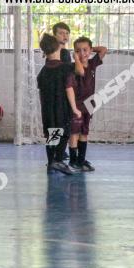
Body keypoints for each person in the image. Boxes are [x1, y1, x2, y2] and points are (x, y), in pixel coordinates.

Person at [37, 33, 80, 175]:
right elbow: (69, 89)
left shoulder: (42, 72)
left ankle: (51, 162)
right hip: (62, 108)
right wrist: (75, 108)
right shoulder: (65, 68)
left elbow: (41, 92)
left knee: (52, 134)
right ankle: (59, 161)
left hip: (47, 110)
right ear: (58, 50)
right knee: (64, 133)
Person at [68, 37, 107, 171]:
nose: (82, 53)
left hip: (89, 105)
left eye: (85, 50)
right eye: (78, 50)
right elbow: (81, 71)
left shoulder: (93, 63)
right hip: (77, 106)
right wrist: (78, 57)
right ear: (74, 53)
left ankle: (81, 160)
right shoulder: (74, 66)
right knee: (74, 133)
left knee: (84, 133)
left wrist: (90, 50)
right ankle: (73, 161)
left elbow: (103, 49)